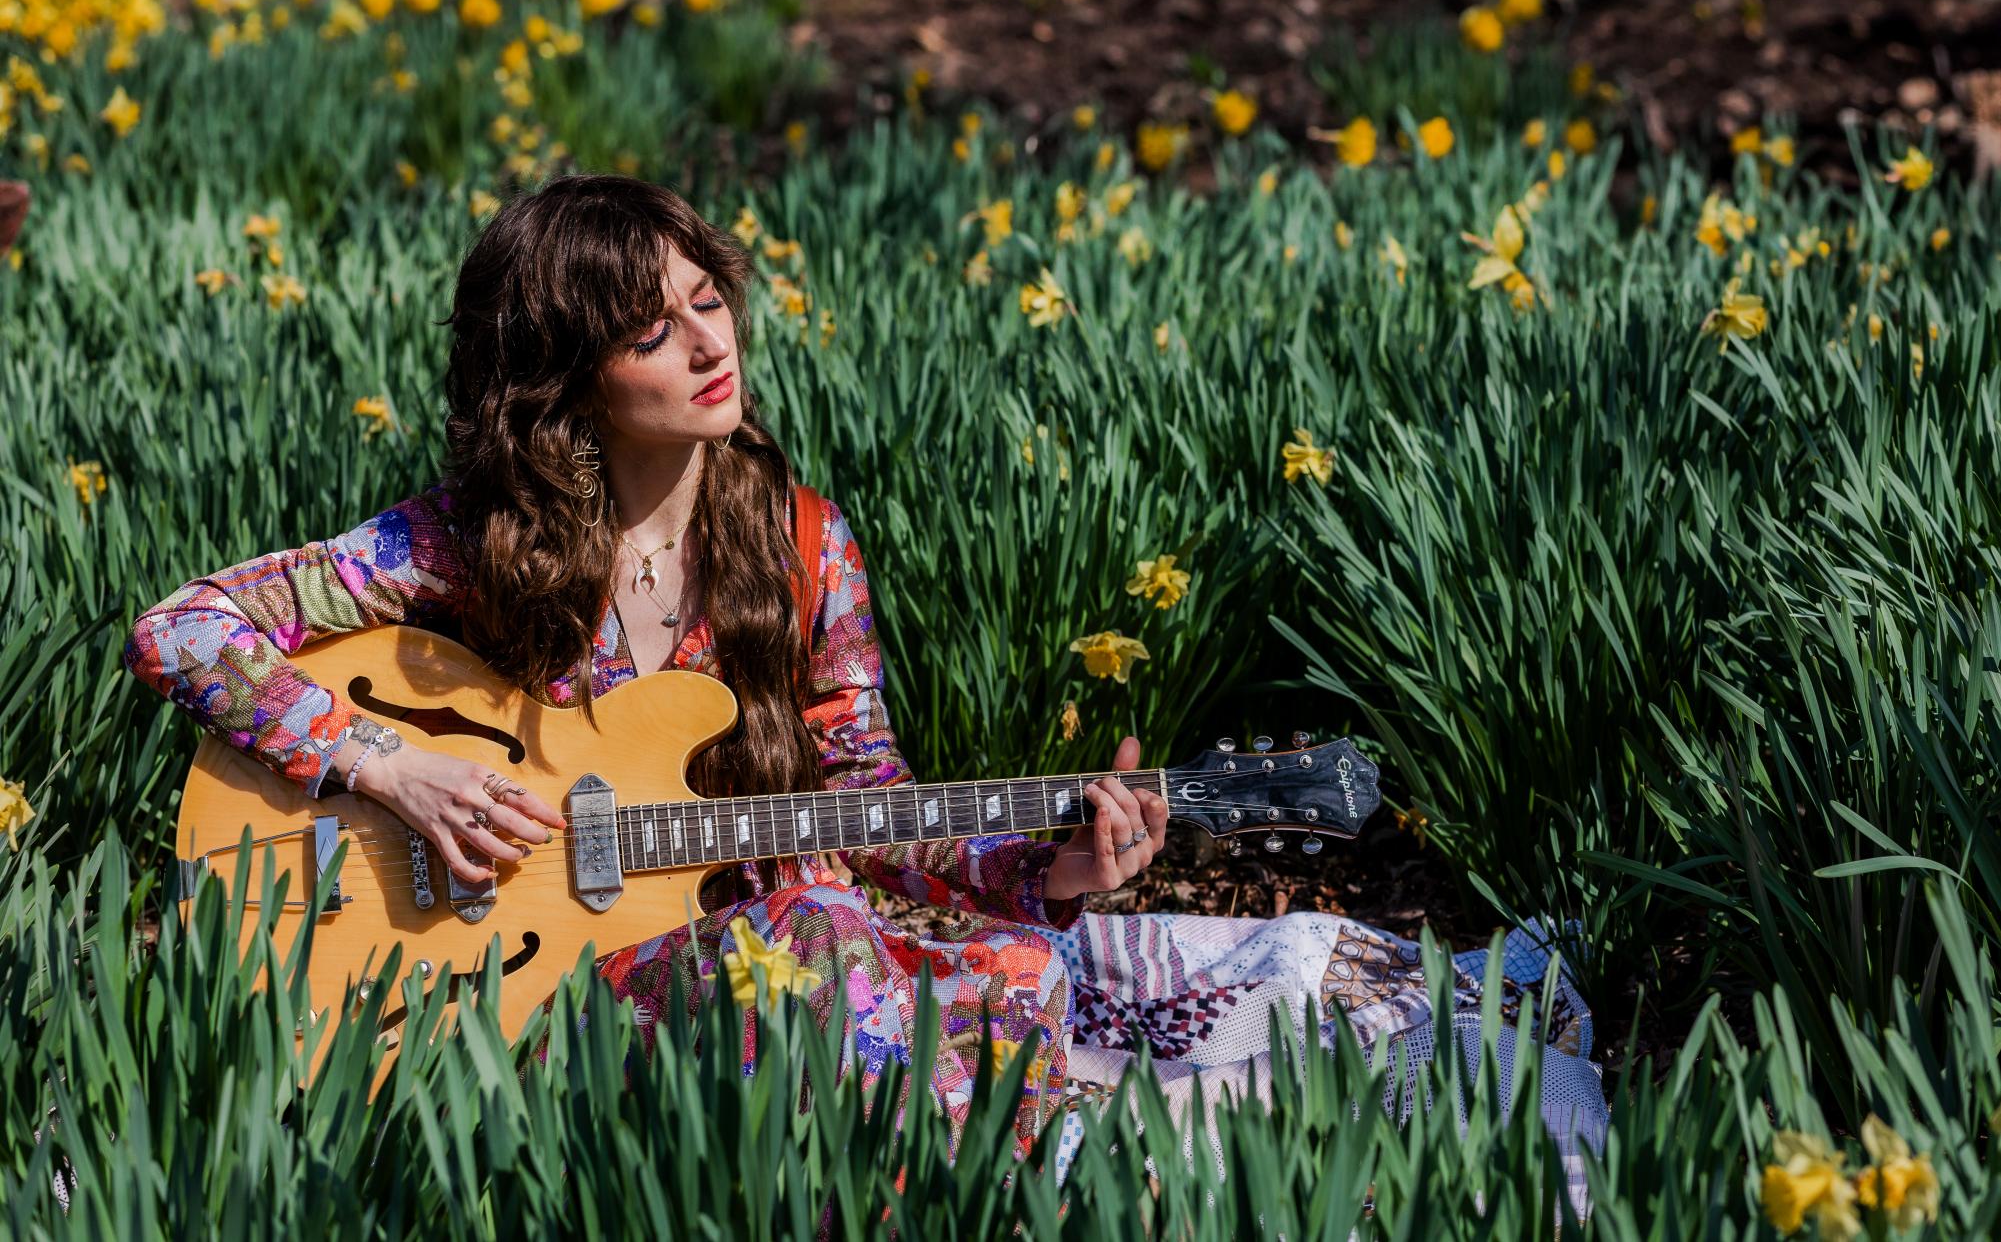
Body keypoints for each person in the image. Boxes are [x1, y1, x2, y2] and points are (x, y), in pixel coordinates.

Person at [124, 173, 1609, 1198]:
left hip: (707, 938)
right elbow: (184, 629)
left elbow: (869, 799)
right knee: (830, 937)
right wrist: (395, 770)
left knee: (1005, 969)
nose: (709, 343)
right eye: (652, 328)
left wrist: (1050, 859)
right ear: (566, 372)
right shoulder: (462, 543)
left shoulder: (798, 544)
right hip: (517, 988)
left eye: (709, 299)